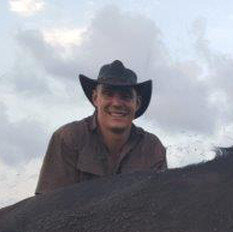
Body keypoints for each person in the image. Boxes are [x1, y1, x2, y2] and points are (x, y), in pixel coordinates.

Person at [35, 60, 167, 195]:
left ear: (137, 103)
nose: (116, 103)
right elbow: (47, 205)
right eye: (108, 94)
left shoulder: (153, 148)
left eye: (126, 96)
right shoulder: (69, 138)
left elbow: (161, 204)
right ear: (95, 98)